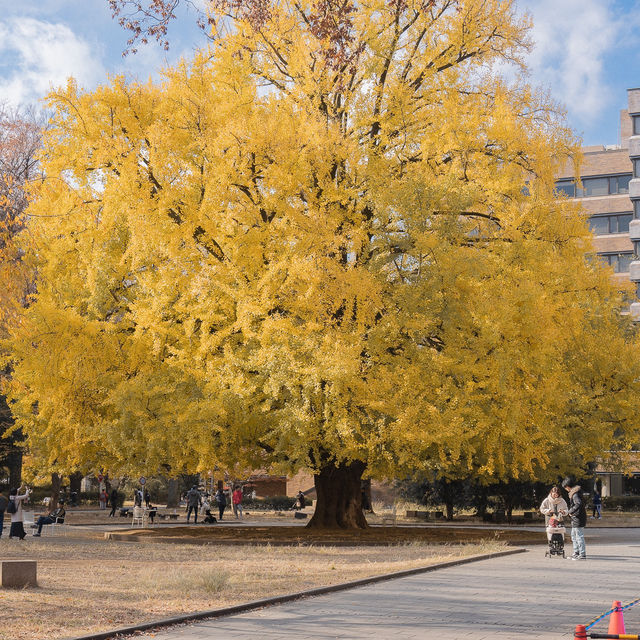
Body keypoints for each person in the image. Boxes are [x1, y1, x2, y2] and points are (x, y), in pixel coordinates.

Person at [562, 476, 587, 560]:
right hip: (576, 517)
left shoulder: (575, 494)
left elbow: (578, 504)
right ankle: (576, 552)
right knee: (573, 535)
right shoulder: (575, 493)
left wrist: (570, 511)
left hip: (578, 517)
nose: (566, 490)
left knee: (579, 536)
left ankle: (582, 554)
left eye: (565, 488)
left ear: (568, 486)